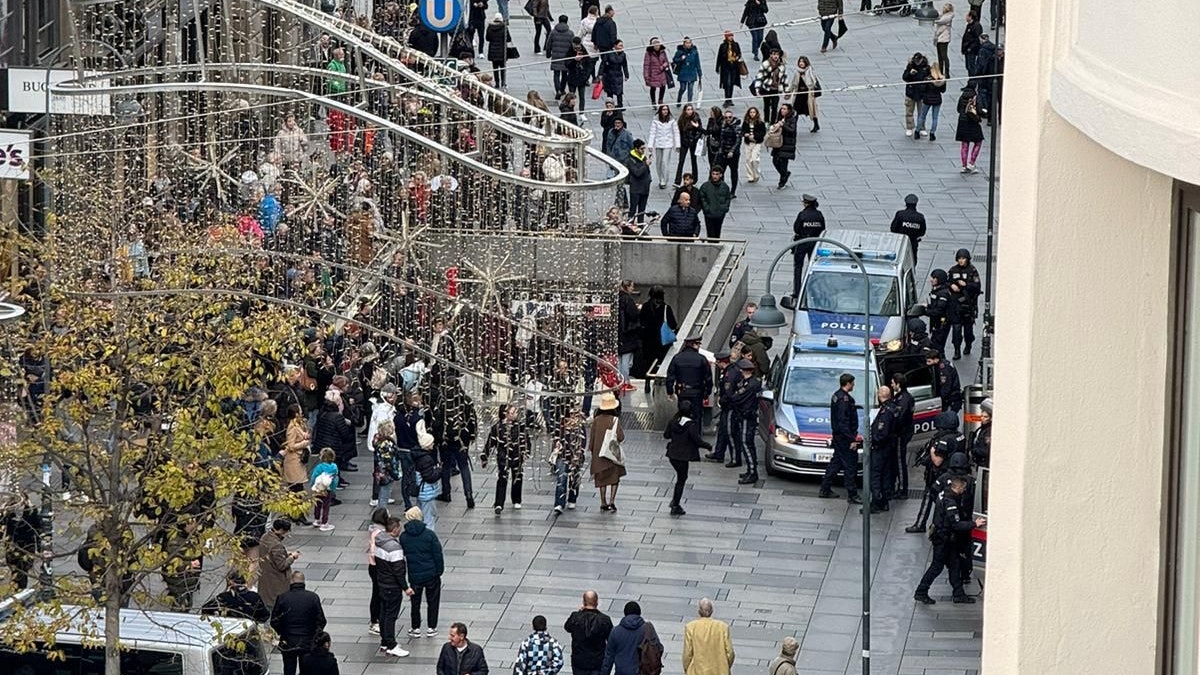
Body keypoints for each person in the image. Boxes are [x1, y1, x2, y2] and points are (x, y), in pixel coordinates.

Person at [914, 475, 986, 604]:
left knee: (955, 565)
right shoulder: (950, 502)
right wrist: (974, 524)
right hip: (943, 540)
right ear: (958, 488)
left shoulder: (944, 493)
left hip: (946, 539)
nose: (965, 490)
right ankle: (921, 592)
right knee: (936, 567)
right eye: (963, 488)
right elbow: (956, 524)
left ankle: (958, 594)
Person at [906, 409, 964, 533]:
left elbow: (937, 461)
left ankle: (920, 524)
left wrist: (932, 451)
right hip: (955, 475)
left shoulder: (943, 440)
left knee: (928, 498)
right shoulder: (960, 436)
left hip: (939, 475)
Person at [271, 571, 328, 675]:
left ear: (291, 581)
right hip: (307, 641)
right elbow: (321, 620)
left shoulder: (282, 598)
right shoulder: (313, 597)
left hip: (288, 641)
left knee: (289, 670)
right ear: (304, 582)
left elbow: (274, 620)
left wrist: (282, 632)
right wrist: (314, 635)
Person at [400, 506, 444, 638]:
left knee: (415, 602)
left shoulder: (404, 537)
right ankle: (432, 627)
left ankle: (415, 627)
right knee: (433, 601)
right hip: (431, 574)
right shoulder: (430, 535)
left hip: (414, 575)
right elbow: (438, 554)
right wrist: (439, 571)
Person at [482, 403, 531, 514]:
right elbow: (490, 443)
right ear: (505, 414)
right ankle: (499, 503)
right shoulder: (497, 427)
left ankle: (516, 499)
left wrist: (526, 452)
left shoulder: (520, 426)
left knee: (517, 477)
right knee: (502, 479)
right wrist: (485, 456)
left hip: (517, 456)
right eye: (513, 413)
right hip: (503, 457)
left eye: (515, 412)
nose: (515, 415)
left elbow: (526, 440)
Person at [664, 399, 711, 516]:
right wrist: (708, 446)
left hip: (672, 454)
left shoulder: (673, 421)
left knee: (681, 477)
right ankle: (675, 505)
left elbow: (666, 435)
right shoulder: (691, 425)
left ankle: (675, 501)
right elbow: (697, 440)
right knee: (682, 479)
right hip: (683, 456)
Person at [820, 373, 862, 503]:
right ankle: (852, 494)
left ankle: (825, 489)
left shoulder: (837, 396)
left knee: (836, 463)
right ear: (848, 383)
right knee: (850, 466)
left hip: (839, 437)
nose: (854, 385)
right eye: (853, 383)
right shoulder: (844, 400)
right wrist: (852, 439)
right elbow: (843, 422)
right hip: (845, 439)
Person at [374, 516, 412, 658]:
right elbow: (398, 571)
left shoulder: (379, 541)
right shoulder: (394, 547)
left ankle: (384, 641)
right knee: (391, 616)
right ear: (395, 529)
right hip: (392, 586)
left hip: (382, 583)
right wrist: (406, 587)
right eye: (399, 528)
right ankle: (391, 645)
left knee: (384, 613)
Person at [589, 393, 627, 511]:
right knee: (614, 478)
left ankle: (603, 502)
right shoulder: (614, 420)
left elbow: (592, 439)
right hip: (611, 454)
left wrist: (593, 452)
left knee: (602, 479)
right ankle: (612, 501)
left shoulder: (596, 420)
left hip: (599, 454)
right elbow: (621, 437)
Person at [602, 602, 662, 675]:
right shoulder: (647, 630)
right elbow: (658, 648)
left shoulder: (615, 631)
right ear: (639, 613)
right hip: (641, 671)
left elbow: (608, 658)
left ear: (625, 614)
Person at [728, 359, 763, 484]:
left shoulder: (750, 385)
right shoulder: (750, 382)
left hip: (747, 417)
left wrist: (734, 395)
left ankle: (753, 472)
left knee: (746, 443)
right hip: (745, 416)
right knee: (748, 444)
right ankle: (750, 470)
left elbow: (736, 397)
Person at [564, 591, 614, 675]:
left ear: (584, 602)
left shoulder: (575, 617)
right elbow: (611, 639)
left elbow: (567, 627)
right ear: (597, 602)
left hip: (579, 661)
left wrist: (579, 612)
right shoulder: (604, 620)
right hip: (597, 661)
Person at [868, 386, 900, 514]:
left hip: (881, 448)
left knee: (876, 475)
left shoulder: (885, 412)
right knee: (886, 475)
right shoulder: (894, 408)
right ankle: (884, 501)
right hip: (890, 448)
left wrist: (872, 440)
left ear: (880, 395)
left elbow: (882, 433)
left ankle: (876, 502)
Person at [682, 598, 734, 675]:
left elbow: (687, 654)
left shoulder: (691, 627)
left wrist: (687, 669)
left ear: (699, 611)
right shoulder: (722, 627)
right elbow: (730, 652)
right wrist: (725, 665)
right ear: (712, 611)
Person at [706, 350, 740, 465]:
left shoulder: (730, 374)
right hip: (726, 407)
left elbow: (728, 392)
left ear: (723, 362)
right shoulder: (728, 371)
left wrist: (721, 401)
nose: (717, 364)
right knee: (722, 430)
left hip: (730, 407)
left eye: (718, 362)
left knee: (730, 432)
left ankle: (735, 459)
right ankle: (719, 453)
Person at [635, 285, 678, 378]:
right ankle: (659, 376)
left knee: (648, 361)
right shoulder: (666, 308)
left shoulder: (646, 307)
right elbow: (673, 324)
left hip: (648, 340)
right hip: (662, 341)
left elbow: (641, 321)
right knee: (661, 360)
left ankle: (648, 377)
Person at [665, 333, 712, 416]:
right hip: (697, 392)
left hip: (682, 392)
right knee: (696, 416)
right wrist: (707, 392)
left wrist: (670, 391)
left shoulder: (677, 358)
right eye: (698, 344)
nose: (699, 347)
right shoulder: (701, 359)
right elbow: (708, 378)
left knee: (683, 414)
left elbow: (670, 376)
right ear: (694, 345)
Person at [948, 248, 982, 359]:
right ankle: (957, 350)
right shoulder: (953, 270)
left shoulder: (972, 270)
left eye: (963, 258)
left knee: (968, 330)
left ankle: (968, 344)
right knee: (956, 329)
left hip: (968, 305)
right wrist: (951, 285)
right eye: (959, 258)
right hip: (955, 305)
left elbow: (977, 286)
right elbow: (947, 281)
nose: (961, 261)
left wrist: (965, 285)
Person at [258, 519, 300, 610]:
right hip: (276, 581)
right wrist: (292, 557)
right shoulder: (277, 545)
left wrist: (284, 554)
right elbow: (282, 565)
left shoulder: (265, 537)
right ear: (281, 530)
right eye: (286, 531)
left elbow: (271, 555)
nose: (287, 534)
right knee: (275, 606)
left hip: (265, 577)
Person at [552, 410, 589, 514]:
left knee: (574, 478)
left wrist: (578, 454)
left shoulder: (579, 427)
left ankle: (572, 498)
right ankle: (559, 503)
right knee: (561, 479)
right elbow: (556, 437)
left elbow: (583, 441)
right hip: (562, 455)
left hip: (575, 456)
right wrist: (556, 445)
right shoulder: (561, 425)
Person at [2, 495, 42, 590]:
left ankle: (21, 588)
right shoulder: (8, 510)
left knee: (24, 568)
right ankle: (16, 588)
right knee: (14, 567)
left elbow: (37, 528)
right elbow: (2, 525)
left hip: (27, 544)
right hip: (12, 543)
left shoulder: (31, 510)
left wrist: (39, 546)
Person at [791, 193, 826, 298]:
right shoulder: (819, 214)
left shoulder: (802, 214)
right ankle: (813, 290)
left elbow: (796, 229)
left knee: (798, 267)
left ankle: (797, 291)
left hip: (802, 242)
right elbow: (823, 229)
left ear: (806, 203)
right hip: (814, 242)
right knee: (813, 266)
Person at [201, 571, 270, 622]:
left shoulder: (223, 598)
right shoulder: (254, 597)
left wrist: (217, 616)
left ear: (229, 583)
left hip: (227, 628)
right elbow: (264, 616)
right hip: (248, 629)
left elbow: (205, 609)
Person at [889, 373, 916, 498]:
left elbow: (900, 418)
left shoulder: (904, 399)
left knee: (900, 462)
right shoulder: (901, 397)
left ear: (898, 384)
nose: (891, 385)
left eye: (893, 383)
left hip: (901, 434)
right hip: (900, 433)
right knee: (896, 461)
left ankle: (902, 489)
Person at [366, 507, 390, 636]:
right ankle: (375, 621)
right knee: (377, 593)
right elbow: (374, 551)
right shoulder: (379, 533)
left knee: (377, 592)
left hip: (373, 565)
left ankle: (376, 619)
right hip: (377, 566)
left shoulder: (373, 529)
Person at [647, 105, 680, 189]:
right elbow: (652, 133)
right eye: (663, 109)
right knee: (658, 163)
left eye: (666, 109)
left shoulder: (672, 120)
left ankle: (664, 180)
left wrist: (677, 144)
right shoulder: (655, 120)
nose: (665, 111)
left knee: (665, 162)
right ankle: (660, 178)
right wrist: (650, 145)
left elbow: (676, 132)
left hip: (668, 144)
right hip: (658, 143)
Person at [751, 48, 787, 124]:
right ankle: (766, 121)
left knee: (774, 106)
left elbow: (784, 78)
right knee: (766, 106)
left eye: (777, 54)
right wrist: (757, 89)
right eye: (774, 54)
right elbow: (760, 76)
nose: (776, 56)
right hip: (767, 88)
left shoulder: (781, 65)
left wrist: (786, 90)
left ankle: (773, 122)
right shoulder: (765, 64)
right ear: (770, 55)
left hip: (776, 89)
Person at [889, 194, 927, 263]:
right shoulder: (920, 217)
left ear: (906, 203)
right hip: (913, 243)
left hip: (900, 241)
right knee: (912, 259)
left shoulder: (900, 214)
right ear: (916, 204)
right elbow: (922, 232)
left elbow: (893, 228)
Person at [309, 447, 340, 531]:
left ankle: (317, 519)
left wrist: (312, 485)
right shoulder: (334, 467)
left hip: (318, 489)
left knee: (317, 504)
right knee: (326, 506)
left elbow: (314, 476)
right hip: (328, 489)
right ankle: (324, 523)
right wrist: (333, 489)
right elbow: (335, 478)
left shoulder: (319, 467)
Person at [617, 280, 641, 388]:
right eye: (631, 286)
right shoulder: (628, 300)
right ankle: (625, 382)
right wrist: (638, 309)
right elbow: (633, 315)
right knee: (626, 361)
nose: (633, 289)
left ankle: (619, 381)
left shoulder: (616, 299)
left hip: (618, 334)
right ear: (627, 287)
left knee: (619, 360)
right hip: (628, 335)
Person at [926, 347, 964, 412]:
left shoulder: (943, 370)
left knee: (948, 416)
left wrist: (939, 400)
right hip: (952, 397)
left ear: (936, 359)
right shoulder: (944, 363)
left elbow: (946, 387)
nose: (927, 363)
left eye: (929, 361)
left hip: (951, 399)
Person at [902, 52, 931, 137]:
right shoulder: (910, 66)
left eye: (918, 60)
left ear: (922, 59)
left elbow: (930, 78)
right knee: (909, 111)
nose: (917, 62)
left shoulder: (926, 68)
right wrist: (910, 73)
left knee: (922, 113)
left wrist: (927, 80)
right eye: (915, 60)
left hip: (922, 93)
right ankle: (909, 127)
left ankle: (921, 128)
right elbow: (904, 77)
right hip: (911, 93)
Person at [915, 63, 947, 141]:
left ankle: (917, 131)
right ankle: (932, 134)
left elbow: (922, 89)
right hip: (937, 100)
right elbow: (943, 90)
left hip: (927, 99)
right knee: (935, 118)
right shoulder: (942, 80)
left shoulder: (927, 79)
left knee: (922, 116)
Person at [698, 167, 732, 240]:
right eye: (713, 174)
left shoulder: (725, 187)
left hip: (720, 213)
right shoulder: (705, 186)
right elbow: (702, 198)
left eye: (717, 174)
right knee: (710, 233)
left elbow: (727, 198)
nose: (715, 176)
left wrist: (724, 208)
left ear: (721, 175)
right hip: (709, 214)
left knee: (717, 232)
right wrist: (706, 208)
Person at [674, 104, 705, 185]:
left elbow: (700, 130)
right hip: (684, 142)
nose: (690, 111)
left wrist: (695, 138)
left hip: (693, 142)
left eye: (691, 109)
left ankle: (694, 179)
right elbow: (679, 132)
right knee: (681, 161)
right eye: (688, 109)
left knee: (694, 161)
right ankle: (677, 180)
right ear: (685, 111)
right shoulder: (682, 119)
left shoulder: (696, 118)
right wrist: (679, 143)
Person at [926, 270, 954, 355]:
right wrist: (928, 306)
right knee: (935, 344)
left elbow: (939, 311)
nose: (931, 280)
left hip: (941, 324)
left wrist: (925, 311)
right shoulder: (937, 290)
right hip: (936, 323)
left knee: (938, 346)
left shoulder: (943, 294)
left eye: (934, 278)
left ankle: (941, 361)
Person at [770, 103, 797, 189]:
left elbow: (792, 130)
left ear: (789, 110)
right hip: (777, 143)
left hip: (787, 144)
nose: (782, 110)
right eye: (782, 109)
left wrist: (783, 125)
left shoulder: (792, 119)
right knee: (775, 161)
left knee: (783, 163)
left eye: (784, 109)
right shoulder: (779, 118)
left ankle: (782, 181)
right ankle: (785, 174)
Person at [547, 15, 575, 97]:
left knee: (556, 74)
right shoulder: (570, 33)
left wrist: (548, 54)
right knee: (564, 74)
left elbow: (548, 44)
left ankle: (558, 90)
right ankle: (562, 89)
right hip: (566, 57)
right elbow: (573, 46)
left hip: (556, 56)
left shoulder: (553, 32)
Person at [625, 139, 652, 223]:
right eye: (641, 148)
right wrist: (645, 164)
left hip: (645, 188)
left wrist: (649, 180)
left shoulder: (644, 157)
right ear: (636, 149)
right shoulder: (630, 160)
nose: (643, 150)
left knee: (642, 211)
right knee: (633, 210)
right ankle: (630, 225)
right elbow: (637, 173)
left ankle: (640, 225)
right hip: (636, 188)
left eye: (644, 148)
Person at [714, 31, 744, 108]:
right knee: (726, 83)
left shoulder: (736, 44)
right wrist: (717, 67)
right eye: (729, 36)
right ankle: (726, 99)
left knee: (731, 83)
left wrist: (737, 57)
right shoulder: (723, 46)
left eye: (732, 36)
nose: (731, 37)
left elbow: (739, 53)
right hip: (725, 67)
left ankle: (730, 99)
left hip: (734, 67)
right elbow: (719, 57)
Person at [672, 37, 703, 105]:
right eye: (687, 43)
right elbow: (674, 60)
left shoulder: (694, 52)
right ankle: (679, 98)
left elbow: (697, 63)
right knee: (683, 88)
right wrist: (681, 59)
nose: (688, 44)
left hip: (692, 72)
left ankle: (689, 103)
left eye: (689, 43)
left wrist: (699, 73)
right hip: (683, 72)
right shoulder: (680, 51)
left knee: (690, 89)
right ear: (684, 43)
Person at [792, 56, 820, 133]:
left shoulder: (810, 72)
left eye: (803, 62)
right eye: (800, 61)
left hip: (808, 95)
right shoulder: (797, 72)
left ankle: (816, 124)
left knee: (812, 111)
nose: (801, 63)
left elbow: (814, 82)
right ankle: (794, 126)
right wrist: (789, 91)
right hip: (799, 94)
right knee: (795, 110)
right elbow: (793, 83)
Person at [600, 40, 630, 108]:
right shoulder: (609, 53)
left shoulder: (623, 54)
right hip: (609, 75)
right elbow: (603, 64)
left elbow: (624, 65)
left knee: (619, 91)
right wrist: (600, 74)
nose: (621, 47)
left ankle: (620, 105)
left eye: (622, 45)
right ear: (615, 46)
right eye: (620, 45)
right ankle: (610, 105)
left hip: (618, 75)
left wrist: (626, 75)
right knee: (609, 91)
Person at [740, 107, 766, 184]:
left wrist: (755, 136)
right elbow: (742, 131)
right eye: (751, 112)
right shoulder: (746, 122)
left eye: (754, 112)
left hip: (757, 143)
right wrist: (745, 134)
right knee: (748, 160)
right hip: (748, 143)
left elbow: (762, 133)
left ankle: (756, 174)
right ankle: (750, 176)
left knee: (754, 159)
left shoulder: (760, 123)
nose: (752, 114)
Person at [643, 37, 671, 107]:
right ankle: (653, 101)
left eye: (658, 43)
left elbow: (666, 61)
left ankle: (660, 100)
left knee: (663, 87)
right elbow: (646, 65)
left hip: (662, 73)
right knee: (653, 88)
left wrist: (663, 66)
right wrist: (646, 75)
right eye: (655, 44)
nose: (657, 45)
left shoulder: (663, 52)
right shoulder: (649, 53)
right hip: (653, 73)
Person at [485, 14, 511, 89]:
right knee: (503, 68)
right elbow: (508, 39)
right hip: (502, 51)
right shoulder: (504, 27)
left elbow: (487, 38)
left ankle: (497, 83)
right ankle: (503, 82)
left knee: (495, 68)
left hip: (493, 51)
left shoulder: (490, 27)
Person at [933, 4, 954, 77]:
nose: (943, 9)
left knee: (944, 56)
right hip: (939, 38)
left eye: (945, 8)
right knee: (940, 57)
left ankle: (947, 72)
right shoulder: (943, 15)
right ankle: (941, 71)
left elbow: (940, 21)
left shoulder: (948, 17)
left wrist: (933, 19)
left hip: (944, 39)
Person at [961, 9, 982, 77]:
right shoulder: (969, 25)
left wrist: (970, 48)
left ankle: (973, 80)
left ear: (970, 17)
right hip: (967, 49)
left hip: (971, 50)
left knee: (971, 66)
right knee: (968, 66)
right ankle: (970, 80)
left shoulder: (976, 26)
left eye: (967, 16)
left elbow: (977, 39)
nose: (966, 17)